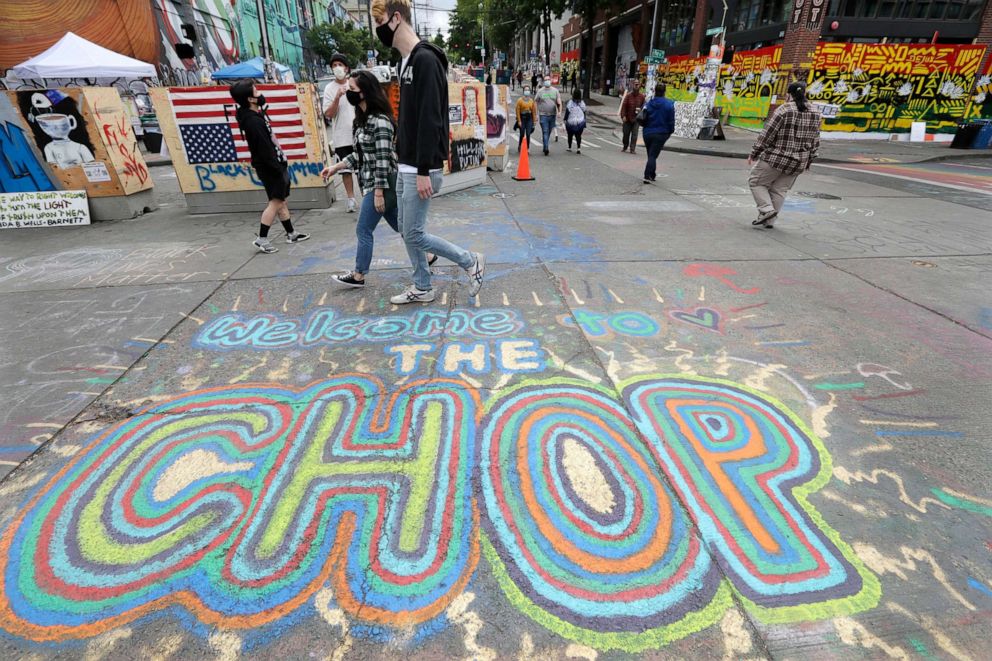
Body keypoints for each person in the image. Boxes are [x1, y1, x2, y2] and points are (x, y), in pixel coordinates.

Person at [372, 0, 485, 304]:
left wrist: (424, 169)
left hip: (421, 167)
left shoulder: (425, 60)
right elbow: (409, 117)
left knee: (414, 234)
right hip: (406, 163)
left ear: (396, 19)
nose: (377, 30)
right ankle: (423, 285)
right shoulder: (404, 62)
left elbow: (431, 118)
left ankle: (470, 261)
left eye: (380, 21)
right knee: (407, 231)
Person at [321, 71, 402, 287]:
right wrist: (335, 167)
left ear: (365, 92)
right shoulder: (362, 120)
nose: (348, 93)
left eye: (352, 90)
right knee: (401, 226)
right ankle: (428, 254)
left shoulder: (381, 122)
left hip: (382, 184)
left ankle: (359, 275)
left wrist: (377, 193)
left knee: (363, 229)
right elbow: (359, 155)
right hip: (373, 183)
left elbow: (383, 161)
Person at [229, 79, 310, 253]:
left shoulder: (253, 116)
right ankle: (262, 238)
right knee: (275, 202)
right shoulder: (253, 122)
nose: (260, 94)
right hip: (270, 167)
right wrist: (277, 168)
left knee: (281, 201)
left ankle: (291, 233)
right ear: (250, 99)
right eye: (256, 91)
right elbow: (265, 150)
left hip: (272, 165)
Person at [748, 82, 821, 229]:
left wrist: (754, 153)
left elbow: (767, 134)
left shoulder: (784, 109)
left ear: (789, 94)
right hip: (799, 160)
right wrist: (809, 160)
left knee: (756, 182)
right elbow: (815, 139)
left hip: (776, 157)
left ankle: (766, 210)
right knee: (780, 189)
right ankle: (769, 221)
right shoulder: (816, 111)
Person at [322, 52, 358, 213]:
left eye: (340, 65)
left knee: (363, 167)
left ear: (346, 67)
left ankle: (368, 194)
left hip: (358, 133)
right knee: (345, 170)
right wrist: (337, 97)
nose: (337, 68)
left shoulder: (354, 83)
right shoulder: (330, 88)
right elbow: (328, 114)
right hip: (341, 136)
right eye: (334, 65)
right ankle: (351, 198)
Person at [640, 82, 676, 183]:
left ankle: (652, 174)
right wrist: (670, 131)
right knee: (653, 155)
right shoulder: (669, 104)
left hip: (647, 132)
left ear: (655, 91)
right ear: (664, 92)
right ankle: (647, 175)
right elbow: (671, 120)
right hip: (661, 133)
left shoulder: (649, 103)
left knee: (651, 154)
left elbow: (644, 115)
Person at [535, 78, 561, 156]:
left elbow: (559, 102)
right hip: (543, 115)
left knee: (549, 131)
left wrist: (559, 111)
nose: (547, 81)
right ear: (544, 82)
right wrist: (536, 114)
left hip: (552, 115)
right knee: (545, 131)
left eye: (548, 79)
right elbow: (535, 102)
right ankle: (546, 148)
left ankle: (544, 144)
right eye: (546, 80)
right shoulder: (540, 91)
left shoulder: (555, 91)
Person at [619, 82, 645, 154]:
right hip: (627, 118)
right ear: (633, 86)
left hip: (636, 119)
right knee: (626, 134)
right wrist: (623, 116)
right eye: (635, 84)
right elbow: (623, 106)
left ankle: (632, 148)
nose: (636, 85)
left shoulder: (642, 97)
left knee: (634, 135)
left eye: (638, 84)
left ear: (640, 86)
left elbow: (644, 106)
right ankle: (625, 145)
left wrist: (641, 109)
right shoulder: (628, 96)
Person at [563, 88, 586, 154]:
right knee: (578, 135)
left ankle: (569, 147)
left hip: (571, 121)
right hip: (580, 122)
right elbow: (584, 112)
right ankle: (578, 148)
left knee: (570, 135)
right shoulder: (582, 103)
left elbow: (567, 112)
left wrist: (565, 119)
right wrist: (584, 121)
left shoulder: (570, 102)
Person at [515, 86, 537, 152]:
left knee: (528, 133)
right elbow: (517, 111)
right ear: (523, 91)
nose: (527, 91)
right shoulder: (519, 100)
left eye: (528, 90)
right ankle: (519, 145)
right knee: (522, 133)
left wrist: (534, 121)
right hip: (522, 118)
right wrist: (519, 121)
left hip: (529, 118)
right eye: (525, 90)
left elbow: (533, 111)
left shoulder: (531, 101)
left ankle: (527, 147)